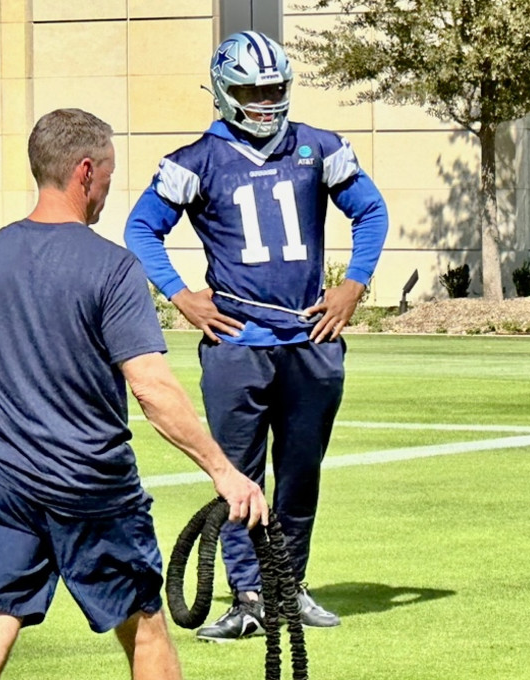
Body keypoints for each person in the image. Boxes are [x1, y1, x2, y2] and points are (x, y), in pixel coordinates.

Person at [0, 107, 269, 680]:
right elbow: (152, 388)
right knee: (146, 630)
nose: (109, 191)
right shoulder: (113, 268)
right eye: (110, 177)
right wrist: (224, 471)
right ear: (85, 172)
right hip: (91, 486)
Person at [124, 31, 389, 642]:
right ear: (223, 92)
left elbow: (370, 211)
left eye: (273, 88)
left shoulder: (319, 147)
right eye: (251, 90)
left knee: (301, 471)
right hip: (238, 344)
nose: (265, 102)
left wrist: (354, 283)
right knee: (238, 474)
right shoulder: (195, 161)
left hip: (311, 337)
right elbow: (142, 229)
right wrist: (182, 294)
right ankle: (247, 595)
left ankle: (288, 587)